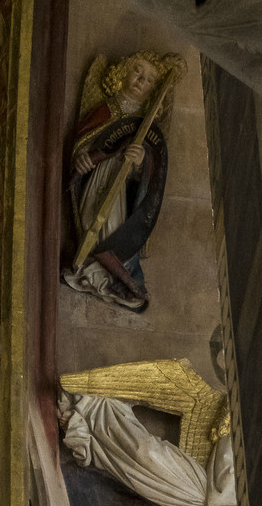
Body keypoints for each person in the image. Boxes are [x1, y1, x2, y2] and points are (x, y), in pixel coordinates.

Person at [62, 53, 181, 313]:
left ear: (152, 91)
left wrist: (140, 161)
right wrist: (82, 158)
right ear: (122, 73)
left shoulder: (146, 125)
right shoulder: (106, 108)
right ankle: (89, 268)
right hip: (98, 177)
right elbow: (83, 140)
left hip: (122, 189)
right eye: (138, 71)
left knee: (114, 227)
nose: (141, 80)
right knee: (91, 219)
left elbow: (152, 173)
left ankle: (108, 276)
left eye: (149, 80)